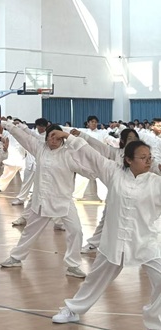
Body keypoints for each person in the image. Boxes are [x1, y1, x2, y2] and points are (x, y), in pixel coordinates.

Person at [52, 139, 161, 328]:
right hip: (114, 242)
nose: (148, 161)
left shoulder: (156, 182)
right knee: (94, 280)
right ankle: (72, 310)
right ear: (128, 159)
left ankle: (154, 321)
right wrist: (69, 137)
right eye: (143, 157)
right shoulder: (114, 173)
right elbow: (92, 155)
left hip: (145, 242)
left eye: (149, 157)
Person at [0, 123, 89, 278]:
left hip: (64, 201)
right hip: (42, 200)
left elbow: (87, 167)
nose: (53, 140)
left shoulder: (69, 154)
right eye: (50, 137)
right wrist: (7, 125)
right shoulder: (40, 148)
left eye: (57, 137)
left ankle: (73, 265)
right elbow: (23, 137)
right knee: (30, 231)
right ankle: (16, 258)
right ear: (46, 138)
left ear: (62, 138)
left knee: (76, 231)